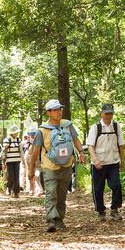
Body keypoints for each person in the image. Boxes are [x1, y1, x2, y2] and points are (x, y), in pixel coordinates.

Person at [26, 99, 85, 232]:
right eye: (56, 109)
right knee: (51, 193)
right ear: (48, 112)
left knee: (62, 194)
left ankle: (60, 219)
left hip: (67, 166)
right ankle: (51, 220)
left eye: (60, 109)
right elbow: (35, 151)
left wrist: (81, 152)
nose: (59, 112)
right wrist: (30, 170)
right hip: (49, 167)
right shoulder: (42, 131)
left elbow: (76, 139)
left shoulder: (68, 125)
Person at [87, 103, 125, 221]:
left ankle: (114, 209)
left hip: (113, 162)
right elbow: (90, 146)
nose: (108, 115)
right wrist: (95, 160)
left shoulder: (116, 126)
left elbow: (121, 145)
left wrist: (121, 160)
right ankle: (100, 211)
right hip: (99, 164)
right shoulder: (96, 127)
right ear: (101, 113)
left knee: (116, 185)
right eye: (106, 113)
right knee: (98, 188)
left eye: (110, 113)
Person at [0, 128, 22, 197]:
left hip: (17, 160)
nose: (17, 133)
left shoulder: (18, 140)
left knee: (16, 176)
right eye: (16, 132)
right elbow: (4, 149)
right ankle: (8, 188)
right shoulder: (6, 140)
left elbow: (21, 150)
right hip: (9, 161)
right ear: (12, 133)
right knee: (10, 176)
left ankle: (16, 192)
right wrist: (3, 162)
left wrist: (23, 159)